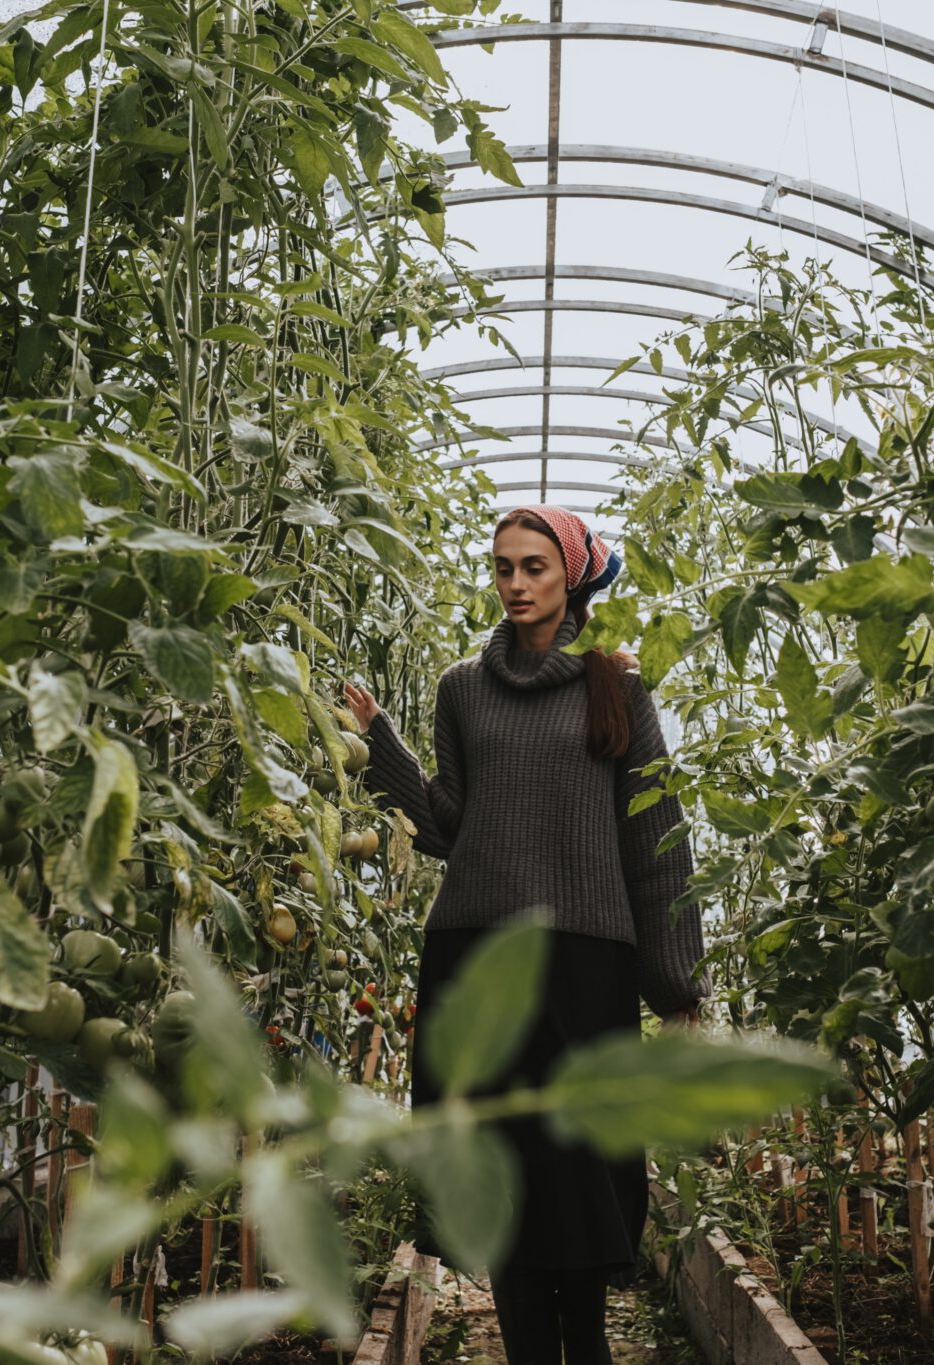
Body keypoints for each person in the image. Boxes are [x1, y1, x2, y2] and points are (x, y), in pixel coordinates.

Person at [340, 504, 708, 1365]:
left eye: (534, 566)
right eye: (503, 566)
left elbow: (656, 836)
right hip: (474, 956)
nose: (515, 583)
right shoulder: (461, 688)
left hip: (585, 964)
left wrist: (678, 983)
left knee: (578, 1177)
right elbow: (446, 826)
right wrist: (382, 744)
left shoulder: (617, 687)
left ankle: (586, 1347)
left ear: (571, 576)